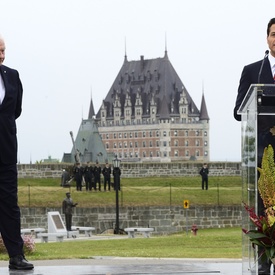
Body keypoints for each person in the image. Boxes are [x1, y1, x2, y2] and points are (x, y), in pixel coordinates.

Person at [234, 18, 275, 275]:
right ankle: (263, 263)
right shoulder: (253, 71)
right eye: (273, 34)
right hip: (263, 155)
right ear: (267, 38)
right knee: (264, 208)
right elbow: (239, 111)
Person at [0, 36, 34, 270]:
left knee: (10, 205)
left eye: (3, 50)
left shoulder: (12, 76)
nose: (1, 54)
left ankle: (16, 256)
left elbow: (16, 110)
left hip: (6, 152)